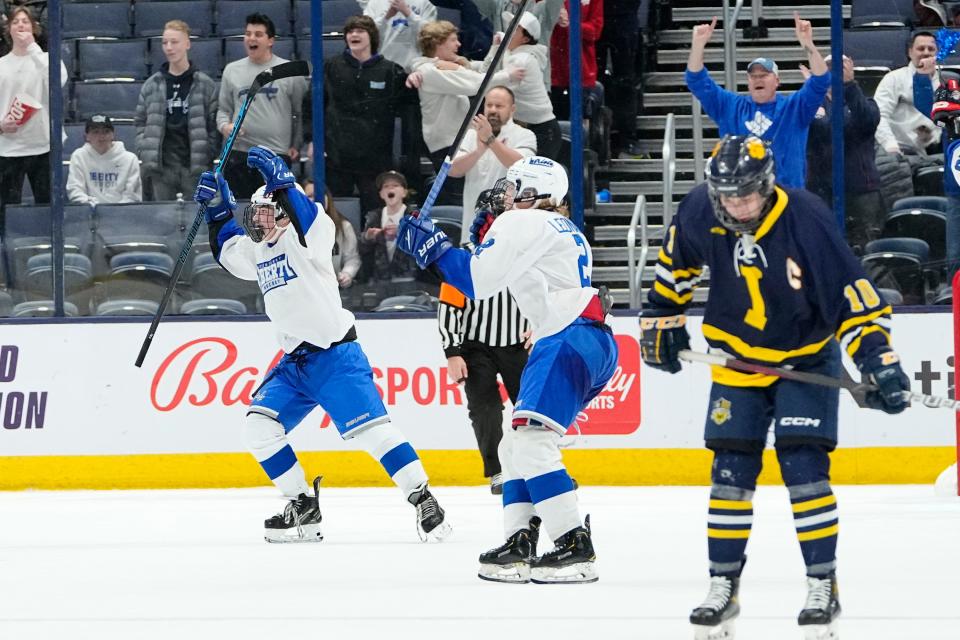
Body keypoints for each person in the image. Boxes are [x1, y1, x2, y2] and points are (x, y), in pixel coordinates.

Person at [638, 135, 910, 639]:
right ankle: (723, 586)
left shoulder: (805, 218)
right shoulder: (702, 207)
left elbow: (853, 301)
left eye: (744, 194)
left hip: (804, 356)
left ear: (765, 186)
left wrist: (881, 362)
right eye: (726, 195)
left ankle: (821, 585)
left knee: (804, 469)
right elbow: (673, 270)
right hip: (736, 362)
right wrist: (662, 321)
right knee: (729, 474)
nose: (735, 204)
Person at [192, 146, 451, 543]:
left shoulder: (310, 236)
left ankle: (423, 497)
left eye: (264, 213)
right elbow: (229, 251)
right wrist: (217, 209)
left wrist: (282, 179)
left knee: (373, 435)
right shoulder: (260, 249)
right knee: (259, 428)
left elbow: (308, 216)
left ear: (282, 211)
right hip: (295, 362)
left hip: (335, 356)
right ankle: (302, 505)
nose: (257, 222)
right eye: (255, 215)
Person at [396, 155, 618, 584]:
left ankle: (574, 544)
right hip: (584, 337)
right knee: (513, 445)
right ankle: (519, 541)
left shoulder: (523, 222)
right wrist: (453, 252)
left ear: (538, 193)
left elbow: (478, 283)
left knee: (531, 444)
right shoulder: (561, 227)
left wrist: (433, 247)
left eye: (516, 187)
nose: (506, 194)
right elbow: (495, 273)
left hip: (566, 337)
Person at [437, 188, 530, 494]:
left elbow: (545, 292)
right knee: (485, 408)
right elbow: (450, 305)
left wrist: (540, 326)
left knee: (533, 409)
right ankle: (498, 470)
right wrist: (452, 351)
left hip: (520, 343)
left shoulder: (527, 251)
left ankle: (538, 468)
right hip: (475, 346)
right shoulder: (464, 255)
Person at [685, 13, 829, 189]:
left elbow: (821, 80)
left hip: (786, 199)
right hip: (741, 200)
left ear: (777, 81)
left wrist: (808, 44)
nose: (758, 79)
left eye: (764, 75)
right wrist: (698, 45)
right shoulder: (730, 107)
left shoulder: (794, 108)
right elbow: (696, 81)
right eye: (753, 76)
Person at [324, 15, 416, 214]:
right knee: (336, 212)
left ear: (371, 37)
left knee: (375, 213)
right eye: (350, 31)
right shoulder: (331, 67)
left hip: (375, 160)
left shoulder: (390, 71)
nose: (354, 35)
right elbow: (312, 104)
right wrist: (311, 139)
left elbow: (409, 107)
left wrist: (417, 73)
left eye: (360, 31)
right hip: (338, 157)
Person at [217, 12, 306, 199]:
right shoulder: (232, 70)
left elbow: (300, 112)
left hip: (276, 154)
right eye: (248, 34)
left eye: (258, 34)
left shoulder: (290, 71)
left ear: (270, 40)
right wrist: (226, 127)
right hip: (239, 155)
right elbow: (223, 110)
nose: (251, 38)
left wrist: (296, 144)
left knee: (273, 215)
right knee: (240, 211)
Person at [803, 55, 884, 254]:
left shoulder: (864, 103)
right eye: (828, 69)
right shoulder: (810, 104)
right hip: (821, 192)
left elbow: (866, 120)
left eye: (839, 68)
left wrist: (849, 85)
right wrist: (811, 92)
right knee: (822, 250)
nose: (834, 74)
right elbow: (814, 130)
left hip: (861, 192)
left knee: (867, 252)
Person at [135, 20, 219, 201]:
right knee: (162, 222)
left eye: (174, 42)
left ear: (187, 44)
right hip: (162, 167)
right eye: (165, 42)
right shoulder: (152, 85)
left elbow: (213, 124)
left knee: (198, 221)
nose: (169, 47)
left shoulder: (205, 85)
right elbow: (140, 122)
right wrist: (145, 148)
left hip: (194, 166)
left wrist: (207, 152)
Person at [0, 5, 67, 211]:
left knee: (47, 206)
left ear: (34, 27)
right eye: (15, 21)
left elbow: (58, 82)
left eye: (25, 21)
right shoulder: (1, 64)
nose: (20, 25)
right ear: (8, 28)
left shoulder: (46, 59)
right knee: (7, 210)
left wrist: (33, 48)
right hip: (8, 147)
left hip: (42, 145)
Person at [449, 85, 537, 240]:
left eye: (499, 106)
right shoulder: (470, 135)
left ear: (512, 109)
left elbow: (521, 167)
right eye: (489, 105)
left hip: (510, 230)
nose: (493, 110)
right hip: (473, 229)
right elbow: (452, 170)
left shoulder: (525, 135)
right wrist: (478, 151)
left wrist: (490, 140)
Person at [482, 12, 562, 161]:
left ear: (525, 39)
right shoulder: (512, 55)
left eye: (516, 28)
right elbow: (485, 73)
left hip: (542, 131)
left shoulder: (521, 60)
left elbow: (487, 83)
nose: (509, 29)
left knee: (535, 180)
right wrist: (495, 48)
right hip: (532, 127)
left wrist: (495, 50)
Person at [359, 169, 438, 295]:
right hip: (380, 281)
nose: (390, 189)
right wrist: (368, 237)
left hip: (409, 280)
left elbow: (427, 242)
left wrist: (402, 233)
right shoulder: (373, 217)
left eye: (395, 185)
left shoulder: (415, 216)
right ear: (381, 194)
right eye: (386, 186)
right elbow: (362, 249)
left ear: (404, 192)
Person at [874, 31, 942, 157]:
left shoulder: (946, 82)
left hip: (939, 152)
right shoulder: (893, 79)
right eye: (921, 48)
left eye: (931, 49)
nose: (926, 52)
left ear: (937, 53)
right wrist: (890, 146)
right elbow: (879, 116)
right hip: (901, 152)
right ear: (910, 52)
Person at [596, 0, 641, 157]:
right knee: (594, 79)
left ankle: (627, 137)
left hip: (624, 16)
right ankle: (598, 138)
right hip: (594, 14)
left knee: (626, 81)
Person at [66, 114, 142, 206]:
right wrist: (94, 208)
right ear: (87, 136)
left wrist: (116, 210)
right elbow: (75, 190)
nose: (101, 136)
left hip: (122, 214)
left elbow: (132, 196)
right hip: (89, 214)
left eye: (106, 132)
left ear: (113, 135)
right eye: (95, 132)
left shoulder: (130, 159)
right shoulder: (79, 156)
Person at [360, 0, 437, 71]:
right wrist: (386, 17)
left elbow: (430, 34)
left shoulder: (425, 3)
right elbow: (366, 32)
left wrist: (409, 13)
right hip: (381, 64)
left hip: (412, 68)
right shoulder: (374, 3)